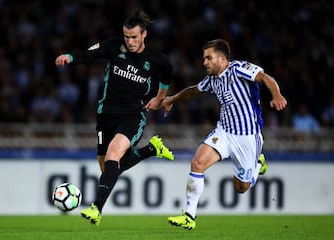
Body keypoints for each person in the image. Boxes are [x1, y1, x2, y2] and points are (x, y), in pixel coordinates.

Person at [55, 10, 174, 225]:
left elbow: (167, 74)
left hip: (133, 115)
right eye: (127, 37)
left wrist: (160, 98)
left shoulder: (157, 60)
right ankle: (152, 149)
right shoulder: (113, 46)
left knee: (113, 155)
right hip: (106, 114)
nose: (129, 41)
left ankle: (96, 209)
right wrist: (69, 57)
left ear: (144, 34)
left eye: (134, 37)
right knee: (108, 167)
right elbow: (87, 55)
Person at [162, 39, 287, 230]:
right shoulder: (212, 80)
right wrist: (171, 98)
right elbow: (193, 91)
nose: (204, 62)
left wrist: (276, 95)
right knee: (197, 163)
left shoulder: (238, 69)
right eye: (204, 58)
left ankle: (257, 165)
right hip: (224, 131)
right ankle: (189, 215)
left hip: (247, 136)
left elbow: (265, 77)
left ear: (222, 59)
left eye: (208, 58)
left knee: (241, 188)